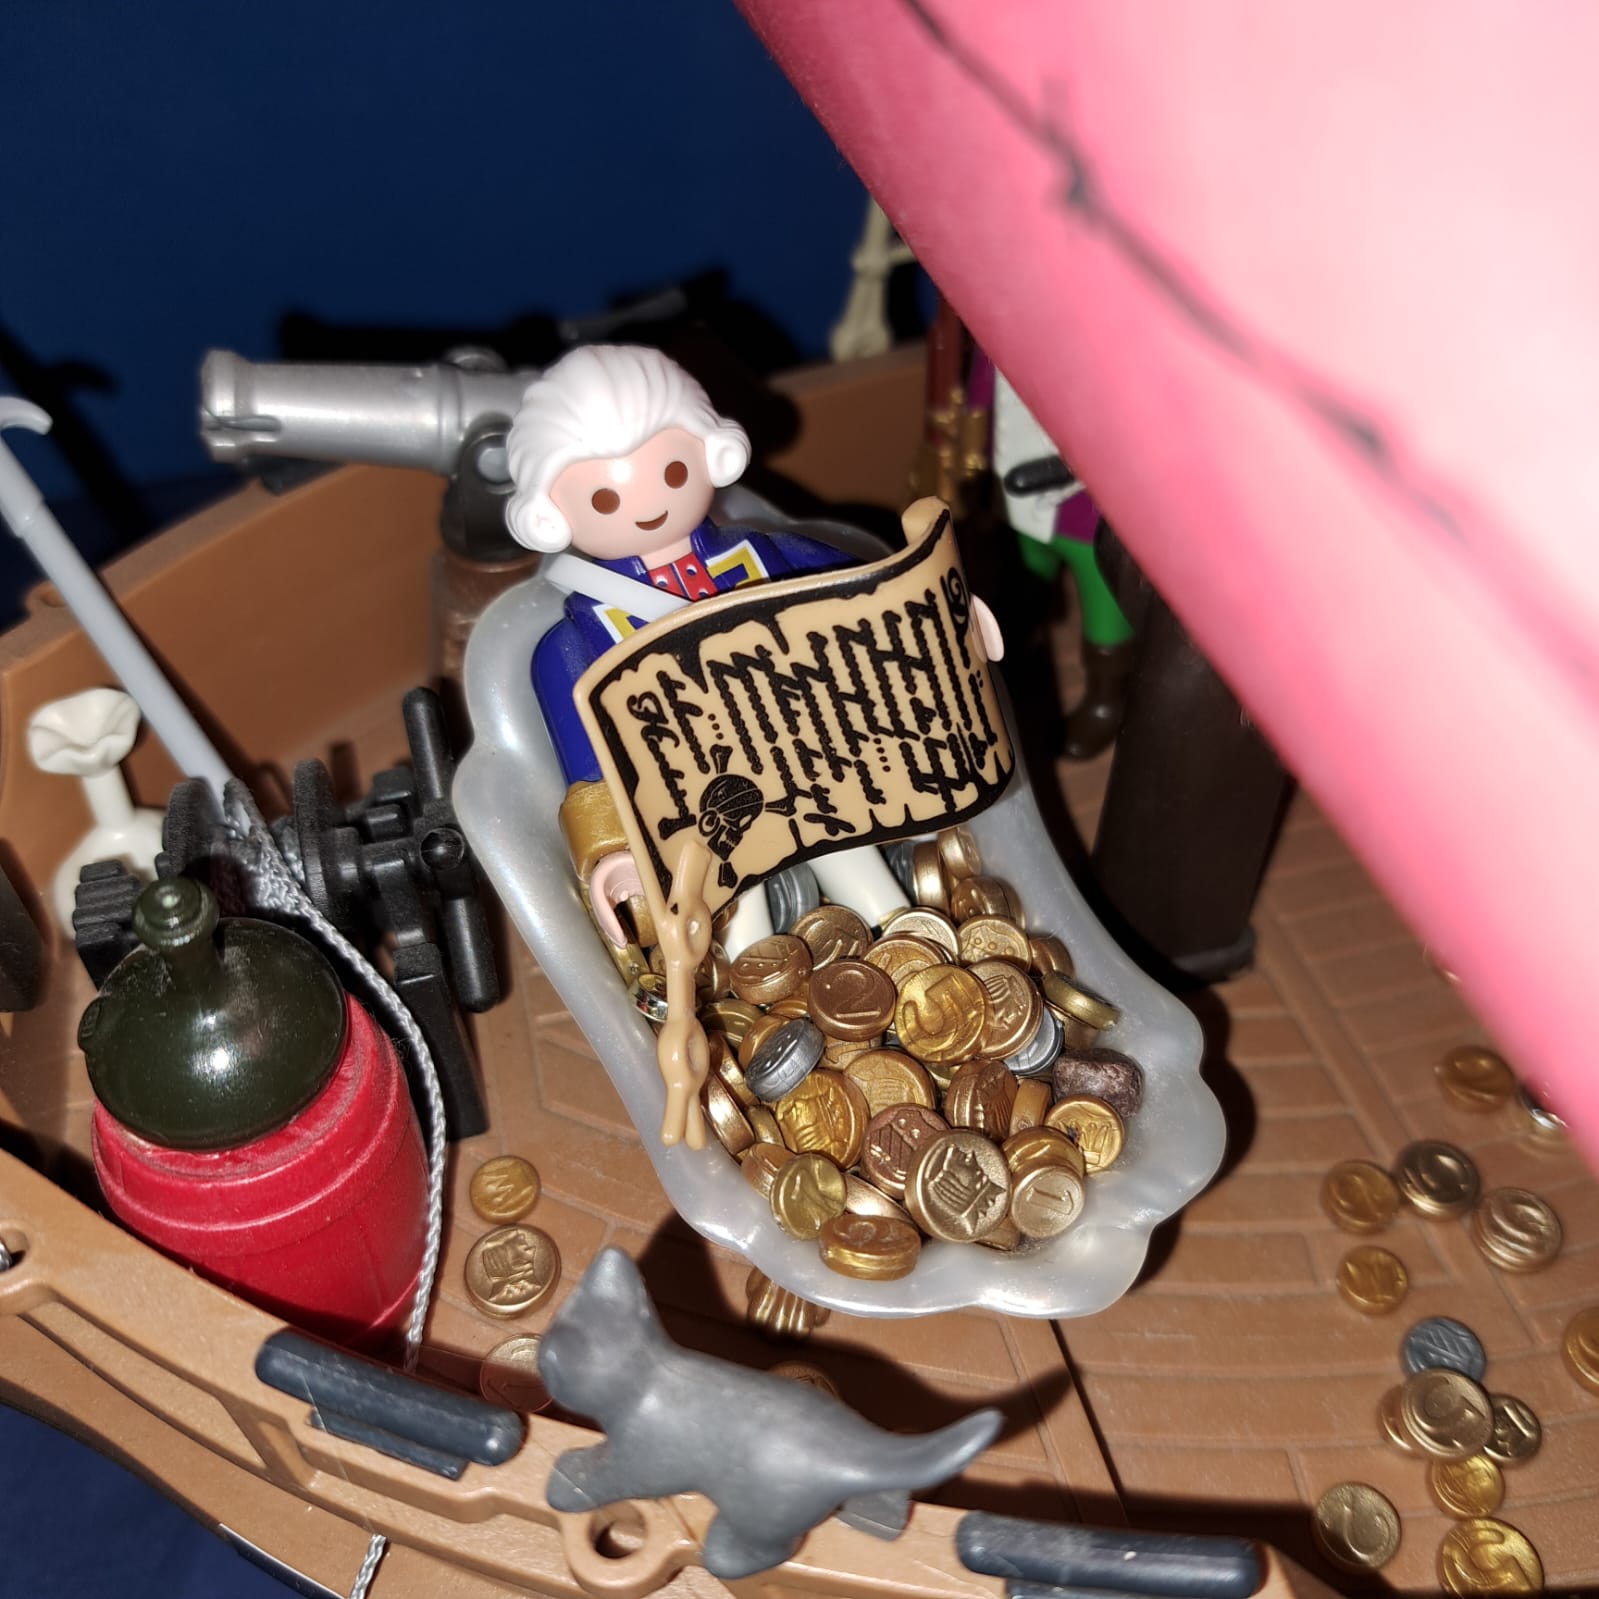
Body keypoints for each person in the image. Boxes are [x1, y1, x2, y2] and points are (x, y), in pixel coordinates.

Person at [504, 344, 909, 953]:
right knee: (739, 922)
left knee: (866, 876)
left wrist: (947, 616)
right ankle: (760, 985)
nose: (649, 505)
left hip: (815, 765)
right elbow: (589, 769)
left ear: (709, 452)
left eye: (672, 473)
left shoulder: (767, 557)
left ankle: (908, 950)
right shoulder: (573, 643)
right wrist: (612, 851)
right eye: (606, 500)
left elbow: (874, 597)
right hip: (702, 816)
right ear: (550, 515)